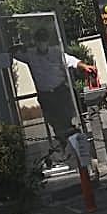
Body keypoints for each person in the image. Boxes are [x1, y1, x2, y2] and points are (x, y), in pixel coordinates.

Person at [18, 24, 79, 160]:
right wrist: (22, 46)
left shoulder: (55, 51)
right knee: (55, 123)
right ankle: (65, 147)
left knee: (67, 120)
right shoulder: (30, 54)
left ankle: (75, 149)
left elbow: (69, 60)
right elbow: (13, 52)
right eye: (40, 40)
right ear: (36, 41)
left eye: (44, 39)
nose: (42, 42)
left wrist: (83, 65)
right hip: (46, 95)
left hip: (60, 91)